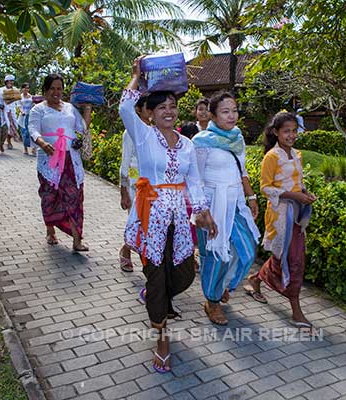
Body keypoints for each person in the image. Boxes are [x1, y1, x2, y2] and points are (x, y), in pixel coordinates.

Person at [119, 57, 217, 374]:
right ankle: (161, 336)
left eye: (173, 105)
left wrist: (203, 212)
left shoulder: (187, 144)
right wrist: (136, 77)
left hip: (178, 218)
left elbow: (194, 182)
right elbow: (124, 108)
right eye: (161, 106)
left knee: (185, 274)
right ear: (151, 112)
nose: (168, 111)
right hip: (151, 218)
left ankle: (156, 297)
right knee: (157, 276)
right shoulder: (144, 135)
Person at [243, 111, 317, 329]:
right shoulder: (272, 157)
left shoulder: (297, 154)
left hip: (296, 214)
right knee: (291, 261)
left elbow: (298, 183)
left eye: (294, 131)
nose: (291, 135)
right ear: (276, 132)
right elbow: (266, 188)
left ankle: (256, 280)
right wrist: (294, 195)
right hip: (279, 215)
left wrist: (305, 193)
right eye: (287, 131)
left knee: (289, 258)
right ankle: (295, 310)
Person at [193, 91, 260, 326]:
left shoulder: (237, 137)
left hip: (236, 202)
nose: (232, 116)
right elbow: (195, 179)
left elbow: (242, 171)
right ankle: (212, 301)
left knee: (248, 249)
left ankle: (223, 285)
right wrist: (201, 212)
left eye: (234, 110)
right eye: (225, 111)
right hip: (212, 205)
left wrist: (251, 197)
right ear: (213, 115)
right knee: (214, 256)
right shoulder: (201, 141)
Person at [29, 74, 92, 251]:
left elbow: (82, 128)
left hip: (71, 159)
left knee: (74, 197)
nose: (56, 93)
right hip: (49, 160)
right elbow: (33, 129)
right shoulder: (38, 110)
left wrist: (87, 108)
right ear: (45, 91)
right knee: (49, 196)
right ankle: (50, 230)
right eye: (52, 89)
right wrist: (42, 142)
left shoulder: (70, 108)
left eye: (59, 89)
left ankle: (77, 240)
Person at [119, 93, 151, 272]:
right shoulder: (130, 132)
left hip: (152, 185)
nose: (152, 111)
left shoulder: (155, 130)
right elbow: (125, 163)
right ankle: (126, 251)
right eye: (148, 107)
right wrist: (124, 190)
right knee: (136, 221)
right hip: (134, 184)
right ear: (138, 109)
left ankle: (132, 251)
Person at [18, 83, 36, 156]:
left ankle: (34, 148)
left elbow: (33, 105)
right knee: (24, 133)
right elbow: (19, 106)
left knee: (31, 132)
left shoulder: (31, 96)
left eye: (27, 88)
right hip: (23, 116)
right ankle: (25, 149)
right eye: (25, 88)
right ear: (22, 89)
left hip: (30, 115)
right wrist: (22, 112)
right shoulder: (20, 97)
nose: (26, 89)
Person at [3, 75, 19, 150]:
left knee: (14, 125)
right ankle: (8, 141)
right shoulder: (2, 89)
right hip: (5, 110)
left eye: (12, 81)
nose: (11, 82)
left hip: (12, 110)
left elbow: (18, 100)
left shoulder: (15, 89)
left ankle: (11, 139)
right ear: (7, 81)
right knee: (8, 126)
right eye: (10, 81)